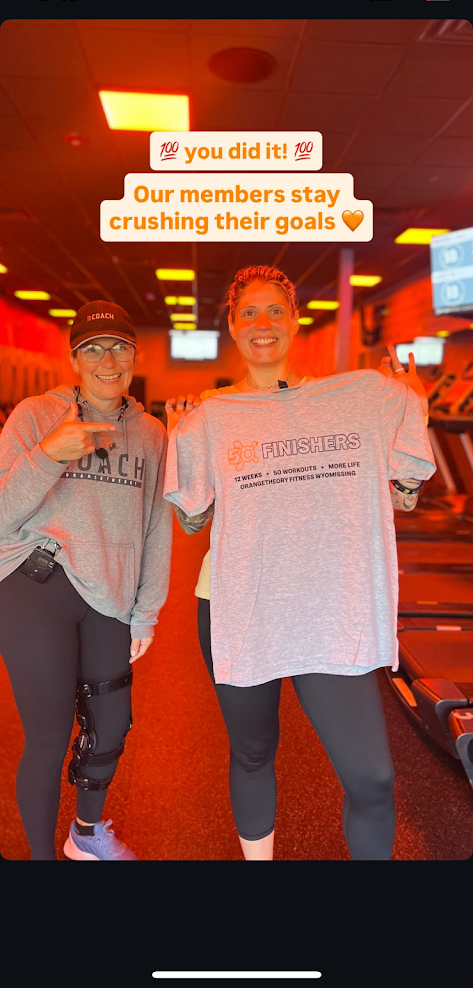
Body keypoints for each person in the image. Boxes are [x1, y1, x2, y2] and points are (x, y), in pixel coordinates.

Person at [164, 264, 436, 861]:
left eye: (275, 311)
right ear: (232, 325)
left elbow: (403, 489)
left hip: (331, 604)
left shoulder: (360, 399)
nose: (262, 323)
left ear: (294, 320)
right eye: (249, 312)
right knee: (253, 752)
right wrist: (177, 437)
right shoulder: (211, 415)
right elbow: (192, 521)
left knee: (373, 779)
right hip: (240, 602)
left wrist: (411, 406)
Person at [0, 301, 172, 860]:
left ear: (134, 356)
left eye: (119, 346)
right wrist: (50, 454)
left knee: (111, 725)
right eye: (92, 349)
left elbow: (156, 526)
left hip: (110, 593)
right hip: (36, 582)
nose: (107, 360)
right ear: (74, 359)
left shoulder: (150, 433)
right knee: (49, 736)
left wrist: (146, 612)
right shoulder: (34, 416)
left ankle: (86, 834)